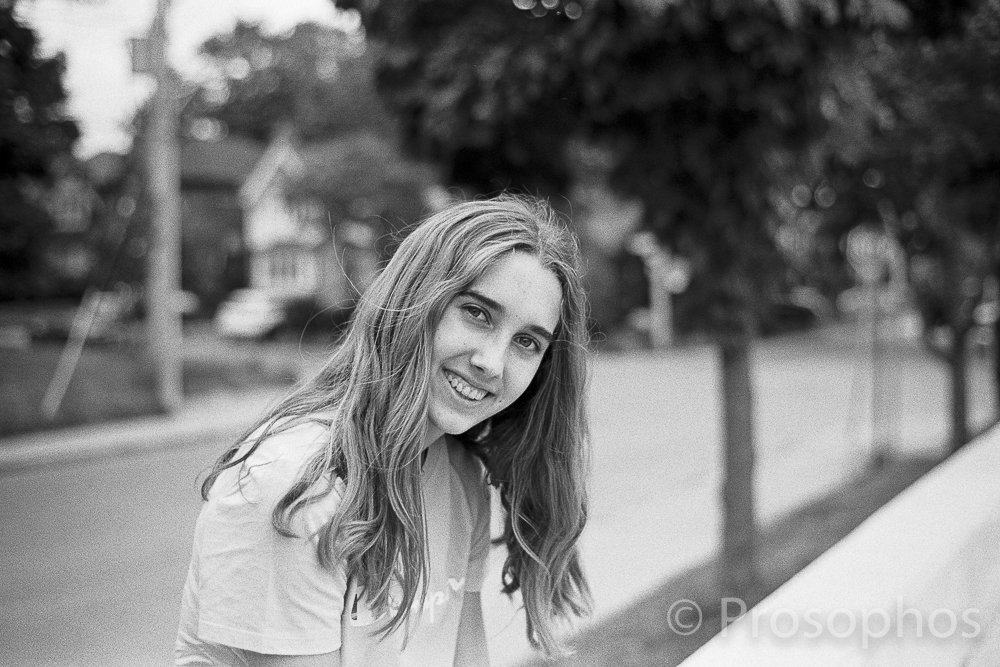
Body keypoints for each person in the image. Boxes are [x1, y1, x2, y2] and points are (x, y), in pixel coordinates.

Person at [175, 195, 592, 666]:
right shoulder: (293, 485)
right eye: (477, 313)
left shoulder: (460, 478)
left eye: (527, 342)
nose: (492, 363)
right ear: (414, 300)